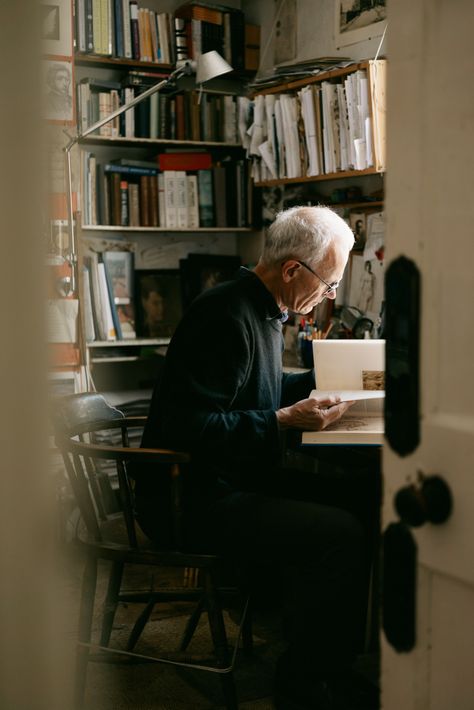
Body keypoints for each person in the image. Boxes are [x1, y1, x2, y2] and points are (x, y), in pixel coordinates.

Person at [136, 206, 371, 709]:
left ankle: (334, 660)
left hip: (232, 481)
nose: (327, 297)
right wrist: (285, 421)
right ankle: (304, 678)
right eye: (329, 285)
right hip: (192, 499)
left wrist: (329, 378)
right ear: (292, 270)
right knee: (340, 533)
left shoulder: (261, 309)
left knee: (363, 498)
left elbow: (254, 390)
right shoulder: (226, 315)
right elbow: (187, 428)